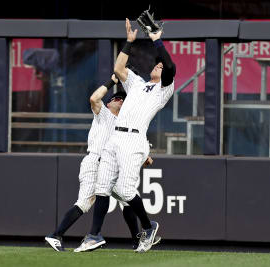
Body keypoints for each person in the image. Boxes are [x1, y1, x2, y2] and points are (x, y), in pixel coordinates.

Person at [75, 18, 176, 253]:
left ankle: (149, 227)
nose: (158, 66)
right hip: (116, 138)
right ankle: (93, 235)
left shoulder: (163, 90)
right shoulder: (138, 84)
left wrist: (156, 40)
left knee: (124, 191)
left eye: (160, 66)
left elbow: (170, 68)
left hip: (134, 140)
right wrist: (129, 43)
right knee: (102, 187)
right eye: (157, 64)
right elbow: (119, 69)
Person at [44, 74, 157, 252]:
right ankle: (57, 235)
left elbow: (130, 147)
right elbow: (94, 98)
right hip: (95, 163)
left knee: (127, 199)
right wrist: (111, 81)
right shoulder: (104, 114)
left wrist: (144, 157)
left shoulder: (125, 124)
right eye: (116, 98)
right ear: (111, 101)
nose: (119, 101)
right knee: (84, 202)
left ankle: (137, 240)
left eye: (122, 99)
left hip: (108, 166)